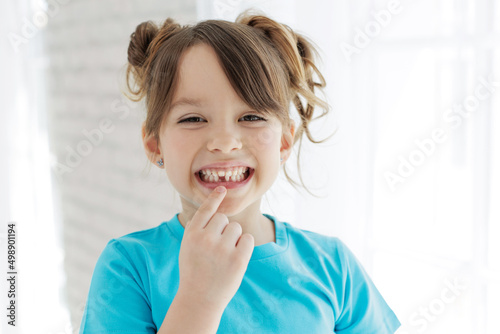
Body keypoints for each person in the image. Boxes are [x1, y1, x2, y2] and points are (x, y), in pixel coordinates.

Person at [79, 9, 401, 334]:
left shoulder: (333, 265)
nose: (224, 142)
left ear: (284, 142)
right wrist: (199, 299)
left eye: (251, 117)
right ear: (154, 146)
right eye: (192, 118)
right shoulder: (129, 267)